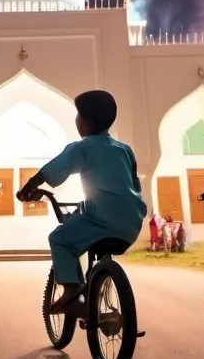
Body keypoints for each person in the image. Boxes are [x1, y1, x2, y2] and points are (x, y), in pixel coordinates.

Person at [17, 90, 147, 314]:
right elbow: (135, 184)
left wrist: (28, 188)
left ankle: (71, 288)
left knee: (59, 239)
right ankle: (96, 283)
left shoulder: (82, 147)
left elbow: (54, 170)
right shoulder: (125, 150)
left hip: (101, 221)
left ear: (85, 122)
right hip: (132, 223)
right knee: (84, 226)